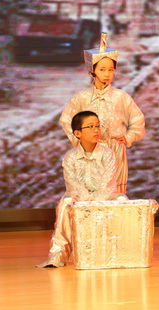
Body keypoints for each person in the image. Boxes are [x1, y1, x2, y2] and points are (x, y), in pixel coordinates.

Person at [60, 33, 145, 195]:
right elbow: (66, 119)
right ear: (92, 72)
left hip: (115, 149)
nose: (107, 74)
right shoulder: (82, 98)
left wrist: (128, 136)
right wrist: (80, 141)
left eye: (111, 70)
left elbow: (137, 119)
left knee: (115, 192)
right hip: (90, 152)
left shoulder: (121, 97)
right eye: (102, 70)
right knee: (89, 191)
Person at [39, 111, 125, 267]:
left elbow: (107, 184)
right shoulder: (70, 157)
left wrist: (95, 201)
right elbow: (73, 186)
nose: (96, 130)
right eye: (90, 127)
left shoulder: (108, 154)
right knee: (66, 203)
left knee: (121, 199)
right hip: (79, 198)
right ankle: (58, 255)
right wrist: (86, 202)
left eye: (98, 126)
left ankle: (119, 253)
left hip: (104, 197)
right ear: (77, 133)